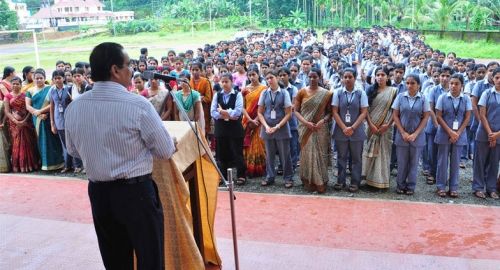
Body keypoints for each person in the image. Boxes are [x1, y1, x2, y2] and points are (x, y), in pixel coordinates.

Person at [65, 42, 176, 270]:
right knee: (150, 260)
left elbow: (73, 151)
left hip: (99, 194)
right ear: (115, 70)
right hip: (136, 195)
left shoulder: (75, 108)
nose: (131, 71)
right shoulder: (137, 105)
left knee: (115, 261)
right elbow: (165, 151)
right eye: (128, 66)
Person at [294, 67, 332, 193]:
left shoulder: (326, 94)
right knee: (307, 154)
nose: (312, 79)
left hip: (320, 129)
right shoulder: (301, 92)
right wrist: (306, 123)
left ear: (320, 77)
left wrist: (323, 121)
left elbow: (330, 113)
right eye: (309, 76)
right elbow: (296, 111)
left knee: (320, 155)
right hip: (305, 128)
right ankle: (309, 181)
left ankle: (320, 181)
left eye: (314, 76)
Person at [392, 74, 430, 195]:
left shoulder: (423, 98)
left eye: (412, 83)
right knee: (402, 162)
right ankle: (400, 185)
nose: (409, 86)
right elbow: (395, 115)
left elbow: (425, 117)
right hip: (401, 135)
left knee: (414, 163)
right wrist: (403, 132)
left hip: (417, 136)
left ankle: (411, 186)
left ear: (418, 85)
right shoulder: (400, 97)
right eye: (407, 83)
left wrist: (415, 134)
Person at [434, 74, 472, 198]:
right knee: (442, 161)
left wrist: (458, 133)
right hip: (444, 133)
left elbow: (467, 117)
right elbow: (438, 116)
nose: (453, 86)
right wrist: (450, 132)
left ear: (462, 86)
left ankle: (454, 187)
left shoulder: (466, 99)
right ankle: (441, 186)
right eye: (451, 83)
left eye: (456, 84)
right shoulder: (442, 97)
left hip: (459, 134)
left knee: (455, 162)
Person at [332, 68, 368, 193]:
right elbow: (334, 112)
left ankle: (355, 182)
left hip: (356, 131)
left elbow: (364, 112)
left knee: (356, 158)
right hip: (340, 130)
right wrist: (343, 127)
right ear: (342, 78)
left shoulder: (361, 93)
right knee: (341, 157)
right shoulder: (337, 92)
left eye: (350, 77)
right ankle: (340, 181)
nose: (347, 79)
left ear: (354, 78)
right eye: (345, 77)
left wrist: (352, 127)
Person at [362, 66, 397, 189]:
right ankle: (368, 179)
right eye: (378, 75)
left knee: (383, 153)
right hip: (370, 126)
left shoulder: (393, 91)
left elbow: (395, 111)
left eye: (383, 75)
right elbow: (365, 110)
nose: (380, 77)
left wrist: (387, 124)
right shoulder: (369, 90)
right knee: (370, 151)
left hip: (386, 127)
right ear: (374, 77)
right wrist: (371, 124)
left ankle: (380, 181)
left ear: (388, 77)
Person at [258, 69, 294, 188]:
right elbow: (260, 112)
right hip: (267, 127)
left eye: (271, 77)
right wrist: (267, 126)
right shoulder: (264, 93)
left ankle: (288, 177)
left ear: (277, 78)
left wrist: (277, 126)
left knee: (285, 154)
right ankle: (270, 176)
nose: (269, 80)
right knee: (269, 154)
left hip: (281, 127)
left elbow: (289, 113)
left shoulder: (284, 93)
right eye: (267, 78)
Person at [210, 73, 247, 183]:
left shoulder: (237, 94)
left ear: (232, 82)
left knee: (237, 152)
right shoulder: (217, 95)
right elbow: (213, 112)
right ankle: (223, 176)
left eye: (227, 81)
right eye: (223, 82)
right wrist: (227, 115)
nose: (224, 84)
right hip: (221, 128)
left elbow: (237, 112)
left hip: (235, 129)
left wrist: (223, 112)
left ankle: (241, 175)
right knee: (221, 154)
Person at [25, 69, 64, 171]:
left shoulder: (50, 88)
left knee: (52, 140)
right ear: (33, 79)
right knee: (41, 140)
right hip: (37, 118)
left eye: (41, 78)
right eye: (36, 78)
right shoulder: (30, 91)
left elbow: (53, 103)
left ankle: (58, 163)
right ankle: (45, 164)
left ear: (44, 78)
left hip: (48, 117)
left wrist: (41, 111)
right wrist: (37, 113)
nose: (38, 80)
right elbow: (28, 106)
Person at [472, 67, 500, 199]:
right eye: (497, 78)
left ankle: (491, 188)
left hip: (499, 135)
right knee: (480, 161)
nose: (499, 80)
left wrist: (497, 134)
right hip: (484, 133)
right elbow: (482, 115)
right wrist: (490, 134)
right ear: (492, 79)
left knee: (494, 162)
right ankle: (478, 187)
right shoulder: (487, 94)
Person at [49, 70, 83, 173]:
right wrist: (52, 123)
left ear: (64, 78)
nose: (58, 80)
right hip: (59, 120)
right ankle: (67, 165)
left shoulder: (69, 88)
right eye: (55, 78)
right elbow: (52, 106)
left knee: (73, 143)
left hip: (70, 120)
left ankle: (77, 165)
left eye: (59, 78)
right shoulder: (52, 91)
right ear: (53, 80)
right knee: (65, 144)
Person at [3, 76, 39, 172]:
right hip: (14, 125)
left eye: (17, 84)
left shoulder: (25, 95)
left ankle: (31, 165)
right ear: (11, 85)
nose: (15, 85)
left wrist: (24, 121)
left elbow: (28, 109)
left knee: (29, 143)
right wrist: (16, 122)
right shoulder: (8, 96)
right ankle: (19, 166)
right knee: (17, 144)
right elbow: (7, 112)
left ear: (20, 84)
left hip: (26, 123)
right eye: (13, 84)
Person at [241, 65, 267, 179]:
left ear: (258, 75)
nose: (252, 77)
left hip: (260, 120)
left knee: (260, 143)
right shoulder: (245, 89)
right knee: (247, 144)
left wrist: (256, 119)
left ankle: (260, 168)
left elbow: (265, 106)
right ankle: (249, 168)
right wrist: (250, 119)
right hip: (247, 120)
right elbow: (242, 106)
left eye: (254, 75)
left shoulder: (264, 89)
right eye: (250, 75)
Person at [189, 62, 213, 136]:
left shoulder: (205, 81)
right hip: (192, 109)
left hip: (204, 109)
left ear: (201, 70)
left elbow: (208, 98)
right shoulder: (189, 81)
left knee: (203, 130)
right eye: (193, 70)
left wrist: (198, 98)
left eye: (197, 70)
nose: (194, 72)